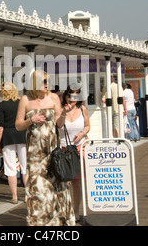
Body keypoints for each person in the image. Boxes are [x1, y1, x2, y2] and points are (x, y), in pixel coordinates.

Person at [15, 70, 75, 226]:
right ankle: (39, 221)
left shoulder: (53, 97)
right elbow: (17, 125)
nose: (48, 84)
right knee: (38, 189)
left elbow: (59, 124)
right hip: (35, 153)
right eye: (44, 81)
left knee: (57, 185)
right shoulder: (25, 100)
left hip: (52, 151)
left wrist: (63, 114)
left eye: (48, 80)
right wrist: (31, 120)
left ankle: (58, 220)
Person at [57, 85, 90, 222]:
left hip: (79, 148)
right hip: (64, 149)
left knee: (77, 183)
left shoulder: (82, 109)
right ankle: (65, 211)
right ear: (65, 96)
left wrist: (83, 133)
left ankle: (75, 211)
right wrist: (64, 112)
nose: (72, 99)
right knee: (64, 183)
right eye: (70, 95)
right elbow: (58, 125)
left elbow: (87, 125)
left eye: (76, 96)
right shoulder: (59, 109)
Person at [0, 82, 27, 204]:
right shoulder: (21, 103)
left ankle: (14, 196)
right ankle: (28, 195)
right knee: (25, 167)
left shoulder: (1, 106)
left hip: (8, 137)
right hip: (22, 134)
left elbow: (0, 127)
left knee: (10, 168)